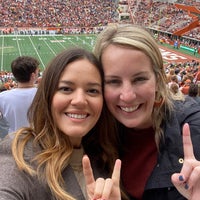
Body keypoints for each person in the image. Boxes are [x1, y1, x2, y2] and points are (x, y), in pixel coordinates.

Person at [93, 24, 200, 200]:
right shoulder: (92, 132)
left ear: (158, 80)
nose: (127, 96)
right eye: (113, 81)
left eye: (140, 79)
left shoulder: (193, 127)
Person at [0, 48, 121, 200]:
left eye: (92, 90)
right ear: (48, 95)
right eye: (66, 89)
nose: (79, 100)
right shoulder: (19, 155)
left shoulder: (105, 154)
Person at [0, 56, 40, 137]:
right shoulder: (43, 94)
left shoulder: (2, 97)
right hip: (38, 138)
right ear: (33, 75)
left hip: (14, 139)